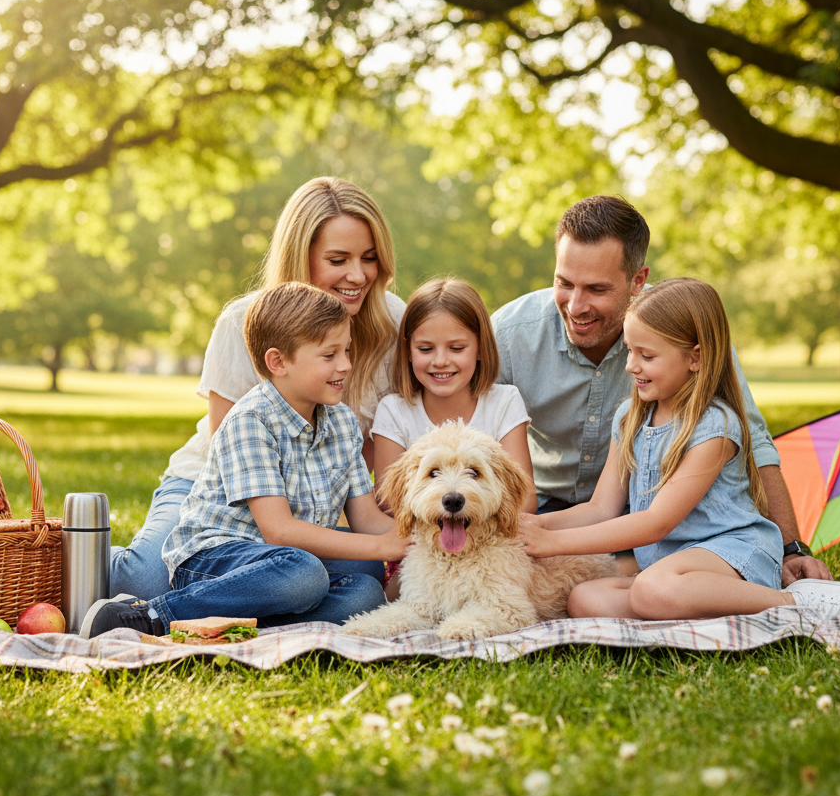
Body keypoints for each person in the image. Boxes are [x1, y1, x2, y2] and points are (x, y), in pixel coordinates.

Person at [491, 194, 831, 587]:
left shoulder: (682, 332)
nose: (577, 305)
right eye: (564, 283)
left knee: (580, 584)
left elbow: (756, 442)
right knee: (564, 592)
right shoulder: (510, 333)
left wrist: (791, 548)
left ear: (637, 280)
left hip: (646, 518)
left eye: (597, 289)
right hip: (562, 507)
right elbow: (469, 426)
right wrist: (508, 527)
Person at [517, 279, 840, 621]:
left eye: (647, 356)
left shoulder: (715, 426)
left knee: (651, 590)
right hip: (671, 564)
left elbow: (656, 522)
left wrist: (553, 542)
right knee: (586, 599)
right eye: (630, 351)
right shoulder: (629, 417)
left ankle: (798, 604)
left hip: (732, 554)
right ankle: (707, 609)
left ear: (695, 358)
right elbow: (599, 509)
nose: (631, 366)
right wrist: (534, 524)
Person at [110, 177, 404, 600]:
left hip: (312, 505)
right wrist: (346, 544)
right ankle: (100, 559)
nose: (357, 275)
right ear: (301, 256)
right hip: (218, 500)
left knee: (360, 588)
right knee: (144, 583)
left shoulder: (394, 323)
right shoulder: (243, 320)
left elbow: (368, 458)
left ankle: (250, 605)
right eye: (338, 259)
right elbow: (227, 455)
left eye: (370, 258)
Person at [82, 283, 408, 639]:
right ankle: (155, 615)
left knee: (367, 586)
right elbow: (280, 531)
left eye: (347, 350)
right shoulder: (252, 419)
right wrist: (380, 545)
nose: (346, 365)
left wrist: (415, 537)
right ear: (278, 362)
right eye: (329, 355)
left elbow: (367, 520)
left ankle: (228, 624)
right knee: (306, 574)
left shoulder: (342, 422)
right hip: (215, 558)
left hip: (283, 562)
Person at [372, 278, 537, 512]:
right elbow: (389, 503)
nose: (440, 361)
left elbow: (525, 499)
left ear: (480, 348)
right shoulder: (394, 410)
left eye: (457, 348)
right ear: (408, 350)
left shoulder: (504, 402)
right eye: (425, 349)